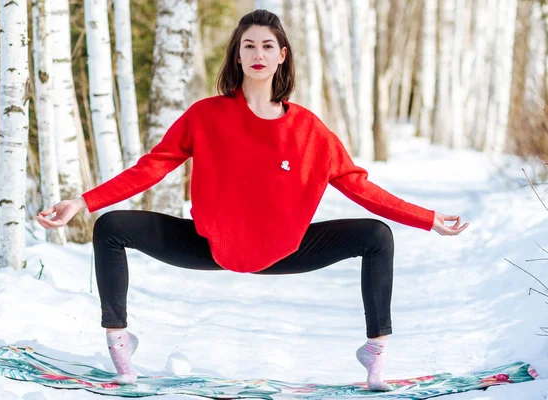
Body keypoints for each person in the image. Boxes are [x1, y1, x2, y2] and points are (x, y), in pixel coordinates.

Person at [37, 9, 468, 391]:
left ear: (282, 55)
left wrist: (427, 218)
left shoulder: (308, 131)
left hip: (288, 251)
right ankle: (119, 344)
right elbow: (152, 167)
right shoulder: (206, 116)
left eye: (267, 45)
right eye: (249, 45)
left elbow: (360, 187)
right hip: (208, 246)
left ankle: (375, 356)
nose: (258, 53)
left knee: (376, 236)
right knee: (111, 228)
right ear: (237, 56)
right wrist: (81, 201)